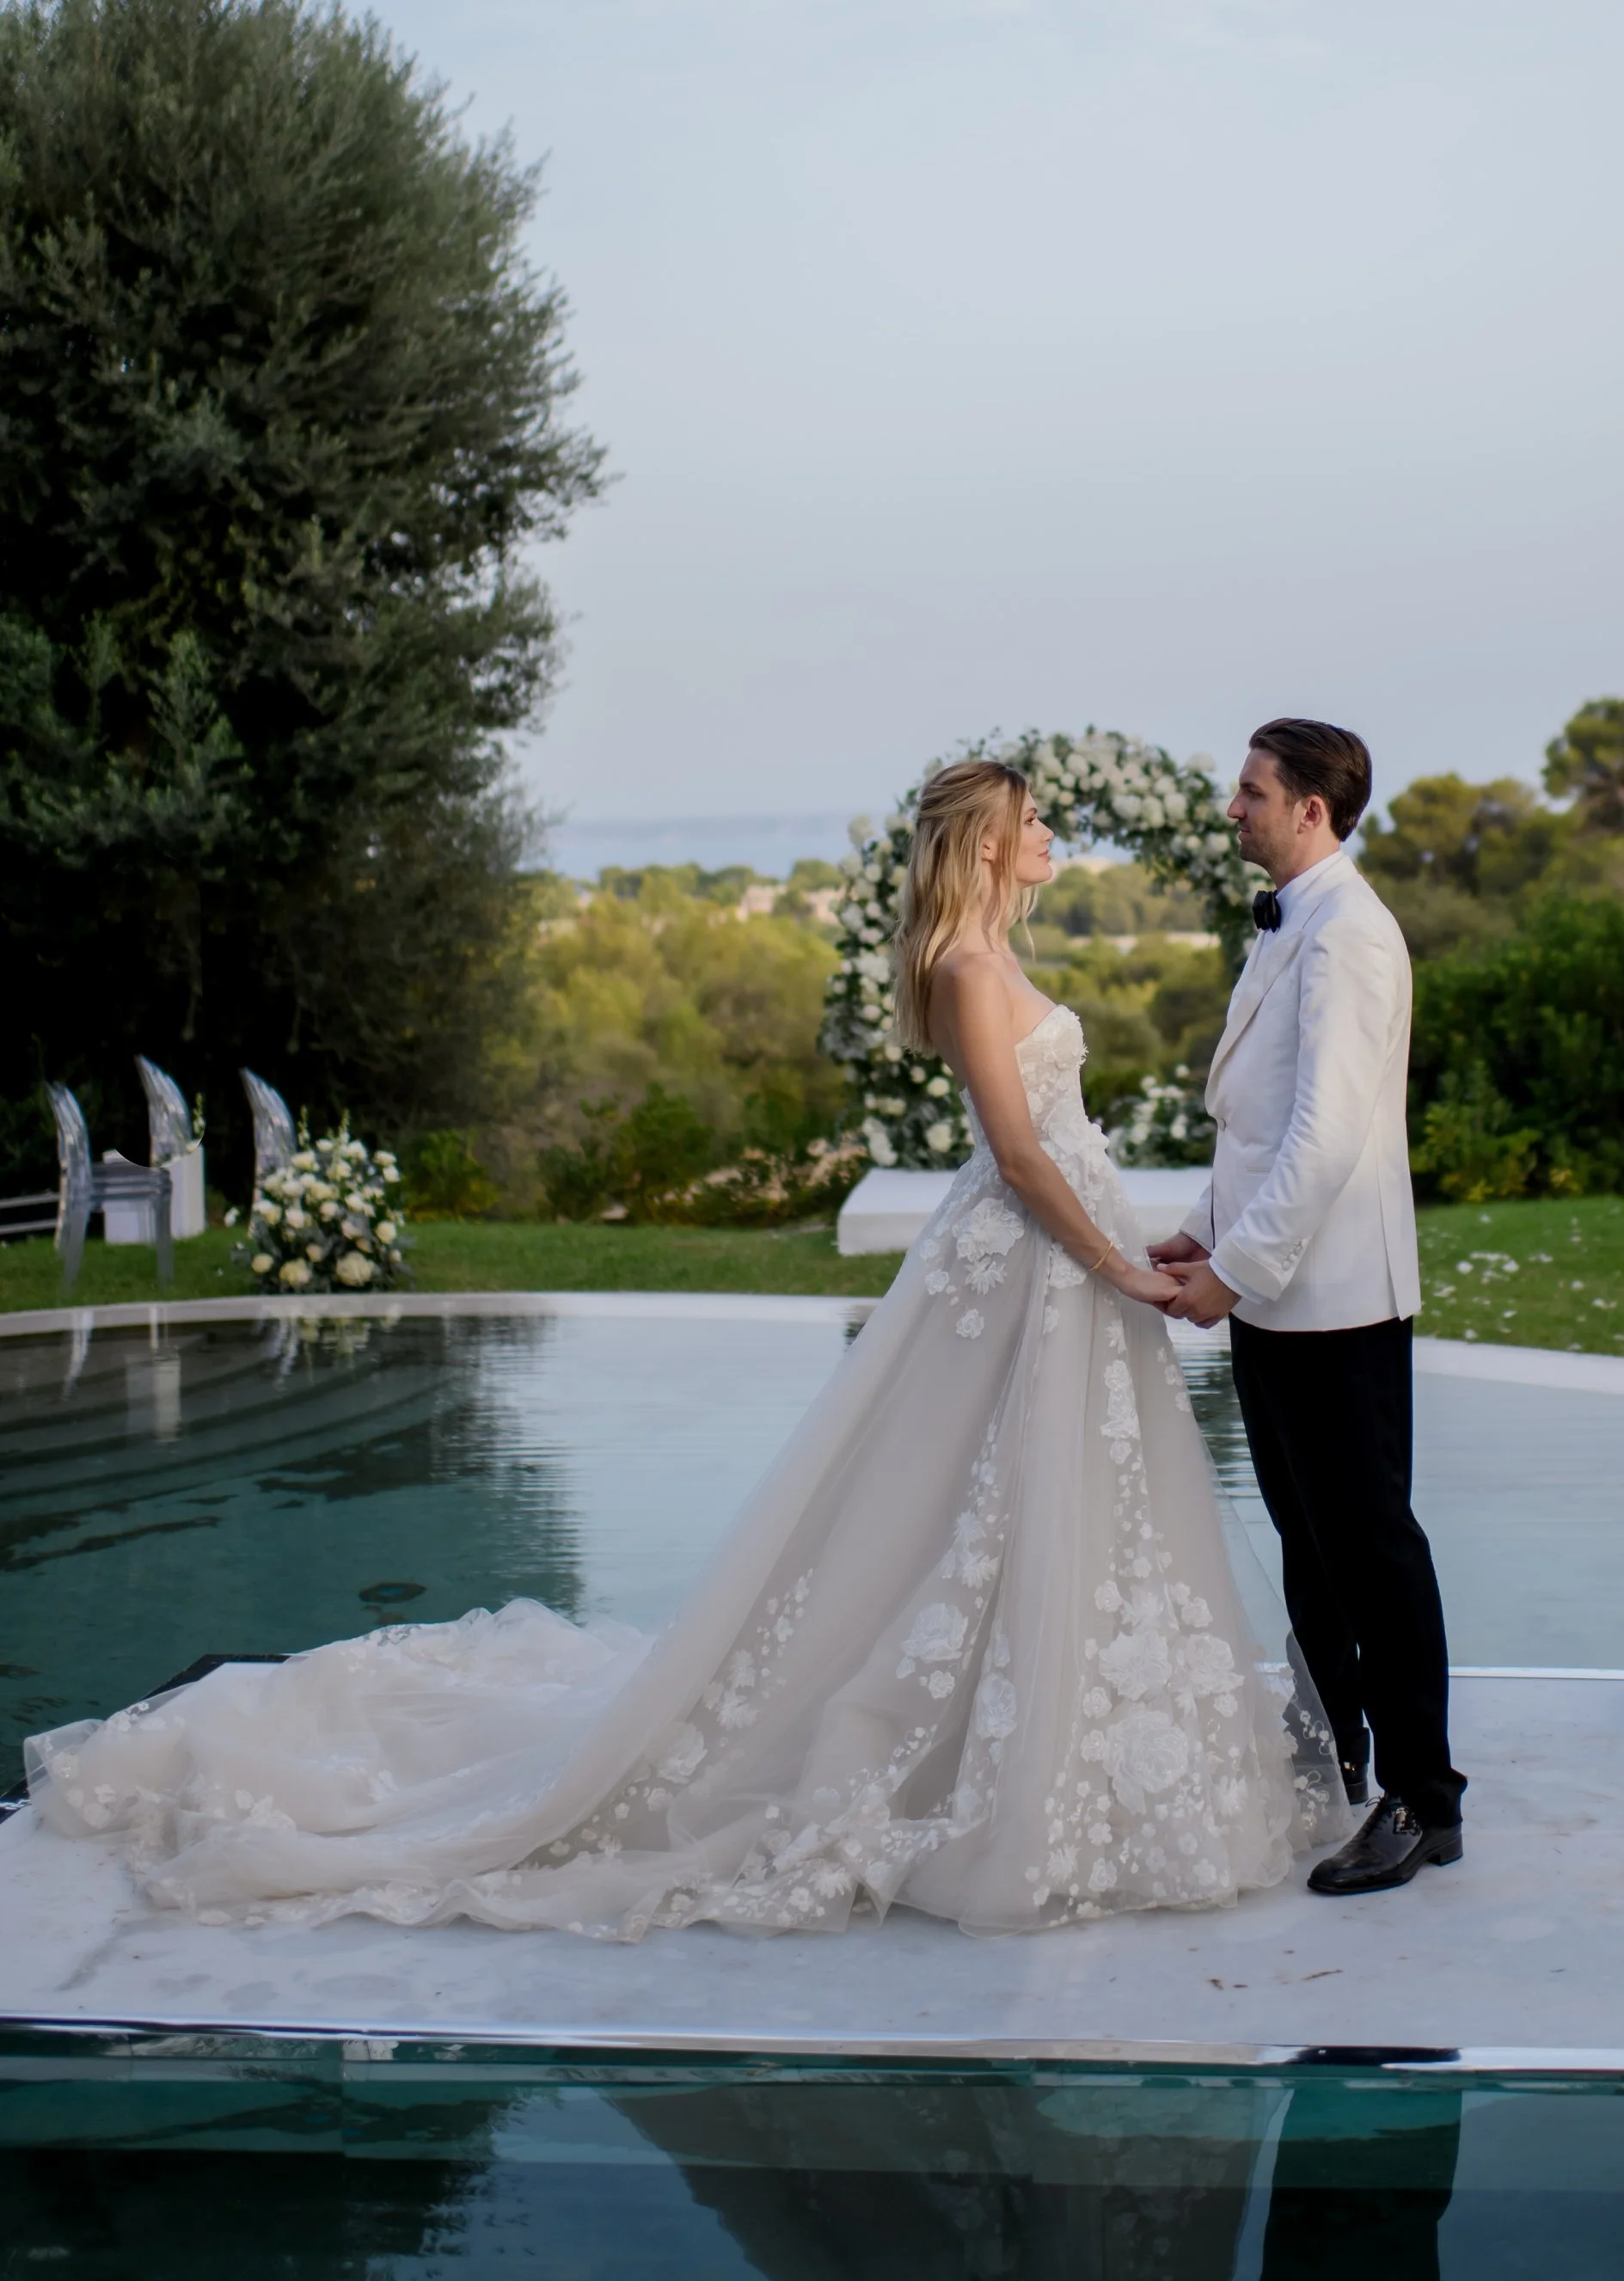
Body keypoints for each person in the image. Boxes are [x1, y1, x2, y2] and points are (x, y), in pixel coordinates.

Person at [29, 759, 1347, 1939]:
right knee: (973, 1507)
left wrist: (1142, 1243)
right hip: (1033, 1263)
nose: (1054, 830)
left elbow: (1049, 1143)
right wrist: (1115, 1262)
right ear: (989, 844)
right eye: (1034, 820)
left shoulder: (993, 957)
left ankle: (1062, 1743)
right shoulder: (960, 968)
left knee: (1030, 1512)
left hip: (1059, 1266)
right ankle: (979, 1762)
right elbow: (1014, 1155)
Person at [1155, 720, 1466, 1894]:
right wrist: (1204, 1225)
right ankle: (1335, 1738)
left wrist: (1234, 1269)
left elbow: (1330, 1134)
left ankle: (1425, 1802)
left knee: (1373, 1552)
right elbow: (1261, 1117)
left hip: (1332, 1298)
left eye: (1251, 792)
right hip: (1276, 1297)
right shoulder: (1295, 923)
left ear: (1310, 812)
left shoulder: (1351, 937)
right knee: (1308, 1541)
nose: (1234, 809)